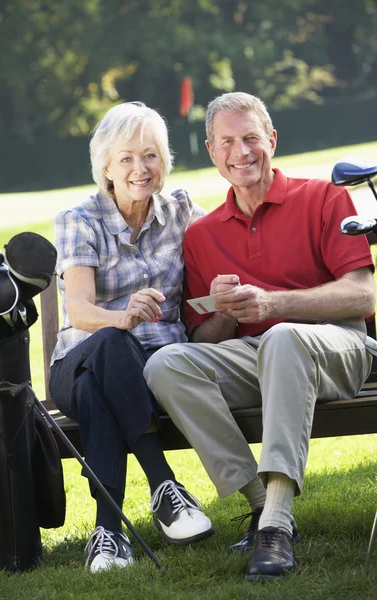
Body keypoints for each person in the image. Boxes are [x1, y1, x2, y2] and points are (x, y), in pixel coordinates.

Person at [143, 91, 375, 582]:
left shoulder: (325, 197)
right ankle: (261, 508)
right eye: (227, 141)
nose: (241, 151)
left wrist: (274, 304)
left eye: (251, 137)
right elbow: (205, 340)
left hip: (338, 346)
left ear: (271, 139)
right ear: (212, 151)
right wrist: (225, 311)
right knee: (166, 364)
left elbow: (362, 295)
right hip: (258, 355)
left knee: (283, 336)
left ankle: (276, 522)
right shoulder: (202, 234)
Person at [49, 101, 212, 573]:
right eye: (126, 158)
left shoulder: (180, 211)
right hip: (77, 359)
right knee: (109, 353)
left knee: (96, 391)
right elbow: (78, 311)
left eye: (150, 155)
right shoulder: (80, 218)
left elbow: (231, 239)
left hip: (154, 376)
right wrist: (122, 319)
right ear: (106, 167)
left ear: (165, 161)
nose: (140, 168)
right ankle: (165, 487)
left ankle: (108, 535)